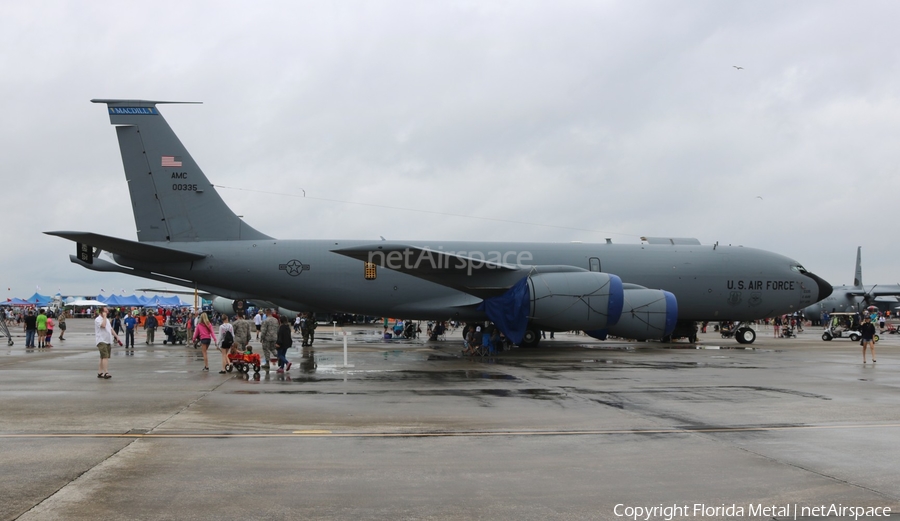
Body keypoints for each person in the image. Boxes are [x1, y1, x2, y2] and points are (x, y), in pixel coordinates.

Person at [95, 306, 121, 379]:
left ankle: (100, 372)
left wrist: (116, 336)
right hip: (101, 340)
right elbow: (103, 326)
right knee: (105, 357)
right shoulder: (98, 319)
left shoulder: (106, 319)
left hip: (107, 340)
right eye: (106, 311)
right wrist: (104, 317)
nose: (107, 312)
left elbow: (110, 329)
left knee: (102, 357)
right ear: (101, 312)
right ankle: (106, 372)